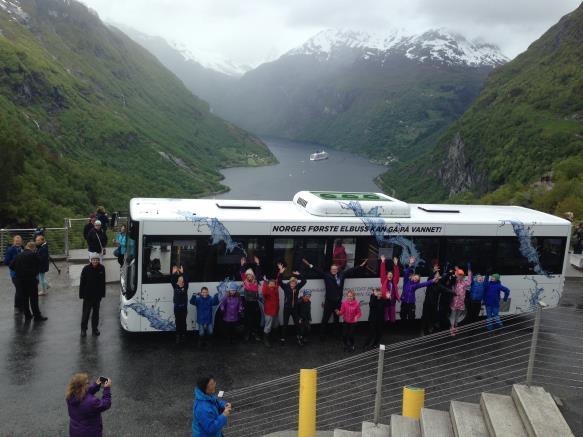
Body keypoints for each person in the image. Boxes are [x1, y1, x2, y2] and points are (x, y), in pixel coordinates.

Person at [302, 257, 367, 339]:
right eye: (332, 269)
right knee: (325, 319)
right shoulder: (326, 275)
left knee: (336, 320)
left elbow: (351, 270)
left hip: (337, 302)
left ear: (337, 270)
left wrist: (360, 266)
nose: (334, 270)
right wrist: (309, 265)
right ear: (330, 270)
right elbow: (317, 270)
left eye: (335, 269)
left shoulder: (342, 275)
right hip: (329, 302)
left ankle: (336, 335)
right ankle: (322, 335)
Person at [66, 373, 112, 437]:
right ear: (83, 386)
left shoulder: (70, 396)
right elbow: (106, 404)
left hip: (75, 432)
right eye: (87, 383)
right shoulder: (91, 402)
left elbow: (84, 393)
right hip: (90, 433)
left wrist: (96, 385)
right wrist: (107, 389)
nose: (89, 384)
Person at [10, 242, 47, 321]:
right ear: (33, 248)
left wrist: (19, 271)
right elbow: (40, 263)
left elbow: (11, 266)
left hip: (20, 280)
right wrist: (34, 272)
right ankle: (37, 316)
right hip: (31, 280)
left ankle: (27, 315)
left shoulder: (18, 255)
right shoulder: (33, 255)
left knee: (25, 298)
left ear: (26, 247)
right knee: (34, 298)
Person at [277, 262, 306, 345]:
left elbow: (304, 281)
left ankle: (299, 337)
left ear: (296, 283)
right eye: (291, 282)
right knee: (285, 324)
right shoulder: (285, 287)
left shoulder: (297, 287)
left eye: (294, 282)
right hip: (287, 308)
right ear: (289, 282)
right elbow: (279, 281)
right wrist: (281, 272)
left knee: (297, 323)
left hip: (294, 309)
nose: (293, 283)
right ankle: (283, 338)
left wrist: (299, 275)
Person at [400, 257, 437, 323]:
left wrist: (433, 280)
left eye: (417, 279)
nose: (415, 279)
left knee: (411, 317)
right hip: (404, 303)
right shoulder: (406, 281)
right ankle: (403, 327)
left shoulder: (415, 286)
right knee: (402, 316)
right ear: (413, 276)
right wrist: (410, 264)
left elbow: (424, 284)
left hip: (411, 304)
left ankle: (410, 329)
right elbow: (406, 272)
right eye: (415, 277)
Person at [79, 254, 106, 336]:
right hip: (88, 295)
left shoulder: (102, 268)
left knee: (96, 314)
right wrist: (81, 294)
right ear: (90, 260)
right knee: (86, 313)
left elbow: (103, 282)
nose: (95, 261)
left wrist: (102, 294)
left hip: (97, 296)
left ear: (99, 260)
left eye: (97, 260)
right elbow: (82, 282)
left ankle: (95, 329)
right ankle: (83, 329)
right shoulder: (86, 269)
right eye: (93, 260)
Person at [240, 256, 263, 342]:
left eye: (250, 275)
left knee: (256, 319)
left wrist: (257, 264)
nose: (249, 276)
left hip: (254, 303)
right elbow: (242, 273)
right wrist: (242, 265)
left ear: (252, 275)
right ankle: (247, 334)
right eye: (247, 275)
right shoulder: (244, 281)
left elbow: (258, 272)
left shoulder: (256, 281)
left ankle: (256, 333)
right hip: (247, 303)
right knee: (247, 319)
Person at [449, 266, 472, 336]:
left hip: (461, 303)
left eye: (462, 275)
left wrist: (469, 272)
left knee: (457, 316)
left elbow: (469, 281)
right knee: (453, 315)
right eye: (459, 275)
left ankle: (455, 326)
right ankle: (452, 328)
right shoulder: (454, 282)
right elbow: (452, 277)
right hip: (454, 302)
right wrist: (457, 270)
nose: (460, 276)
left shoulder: (464, 283)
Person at [4, 235, 24, 313]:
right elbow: (6, 262)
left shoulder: (22, 248)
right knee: (19, 289)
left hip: (23, 273)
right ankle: (16, 307)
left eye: (19, 241)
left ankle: (21, 306)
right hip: (14, 273)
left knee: (22, 290)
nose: (18, 243)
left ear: (21, 242)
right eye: (16, 241)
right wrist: (14, 264)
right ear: (13, 242)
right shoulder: (10, 250)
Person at [261, 275, 281, 348]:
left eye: (273, 283)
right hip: (269, 311)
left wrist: (280, 273)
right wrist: (265, 282)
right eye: (271, 283)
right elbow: (263, 292)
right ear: (268, 284)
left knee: (276, 324)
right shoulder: (267, 290)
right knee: (268, 326)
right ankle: (265, 340)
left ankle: (274, 337)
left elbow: (278, 281)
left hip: (275, 311)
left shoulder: (276, 289)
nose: (272, 284)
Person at [171, 266, 189, 344]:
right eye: (179, 280)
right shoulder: (175, 287)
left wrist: (182, 272)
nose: (180, 282)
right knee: (177, 322)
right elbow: (172, 280)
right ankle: (178, 336)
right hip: (177, 308)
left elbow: (187, 280)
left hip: (183, 308)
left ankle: (184, 336)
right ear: (177, 282)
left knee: (183, 322)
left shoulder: (185, 288)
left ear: (183, 282)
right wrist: (173, 273)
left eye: (182, 281)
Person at [380, 255, 400, 322]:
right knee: (385, 316)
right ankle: (385, 325)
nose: (390, 275)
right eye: (388, 274)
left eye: (391, 275)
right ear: (386, 276)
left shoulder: (395, 281)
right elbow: (382, 272)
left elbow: (397, 274)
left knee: (392, 317)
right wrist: (383, 262)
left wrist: (396, 265)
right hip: (385, 301)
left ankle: (391, 325)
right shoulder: (384, 281)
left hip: (392, 302)